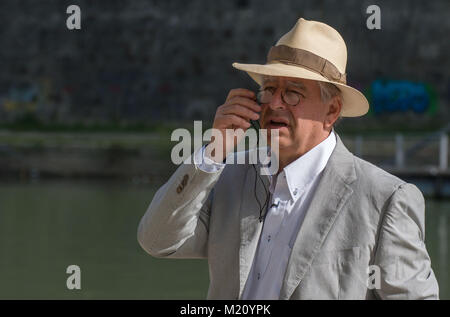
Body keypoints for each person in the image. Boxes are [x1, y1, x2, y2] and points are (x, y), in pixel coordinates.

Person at [137, 18, 439, 299]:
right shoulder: (227, 173)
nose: (275, 103)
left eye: (293, 93)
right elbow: (157, 241)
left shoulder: (386, 199)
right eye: (269, 90)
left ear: (332, 111)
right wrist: (212, 154)